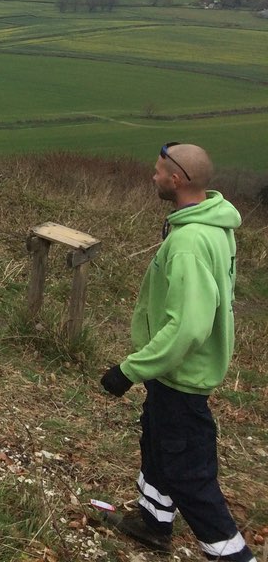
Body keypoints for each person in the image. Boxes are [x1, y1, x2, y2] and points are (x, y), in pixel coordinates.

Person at [99, 142, 255, 561]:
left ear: (176, 179)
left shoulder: (189, 242)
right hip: (173, 376)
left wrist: (129, 370)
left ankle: (233, 554)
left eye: (157, 171)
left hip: (182, 376)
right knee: (156, 444)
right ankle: (153, 523)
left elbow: (186, 328)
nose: (152, 177)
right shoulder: (213, 225)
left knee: (191, 475)